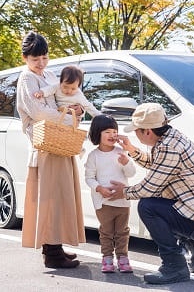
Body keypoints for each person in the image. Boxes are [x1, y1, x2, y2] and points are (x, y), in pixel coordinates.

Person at [109, 103, 194, 284]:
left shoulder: (168, 148)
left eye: (136, 130)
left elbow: (148, 188)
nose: (134, 134)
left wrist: (123, 192)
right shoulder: (172, 138)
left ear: (148, 132)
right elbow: (159, 166)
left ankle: (174, 266)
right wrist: (131, 150)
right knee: (162, 198)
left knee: (148, 206)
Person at [16, 31, 86, 269]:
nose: (41, 63)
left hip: (59, 142)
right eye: (36, 59)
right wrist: (69, 119)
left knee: (59, 196)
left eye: (44, 57)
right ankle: (52, 252)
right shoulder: (26, 79)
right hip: (44, 145)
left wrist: (77, 110)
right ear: (25, 58)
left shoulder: (50, 75)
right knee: (50, 197)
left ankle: (55, 247)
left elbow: (62, 100)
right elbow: (40, 113)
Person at [85, 114, 136, 273]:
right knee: (106, 232)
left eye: (114, 131)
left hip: (122, 202)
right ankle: (107, 258)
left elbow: (131, 173)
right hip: (103, 202)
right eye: (107, 132)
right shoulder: (93, 156)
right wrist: (100, 188)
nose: (112, 135)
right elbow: (89, 178)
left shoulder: (121, 152)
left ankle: (123, 258)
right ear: (97, 133)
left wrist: (126, 162)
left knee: (122, 232)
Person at [33, 65, 101, 118]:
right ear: (60, 82)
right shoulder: (57, 86)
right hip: (59, 113)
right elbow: (49, 89)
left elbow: (88, 106)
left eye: (73, 88)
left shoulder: (78, 95)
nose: (69, 91)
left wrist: (99, 116)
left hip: (72, 118)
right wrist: (41, 92)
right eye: (65, 87)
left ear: (78, 87)